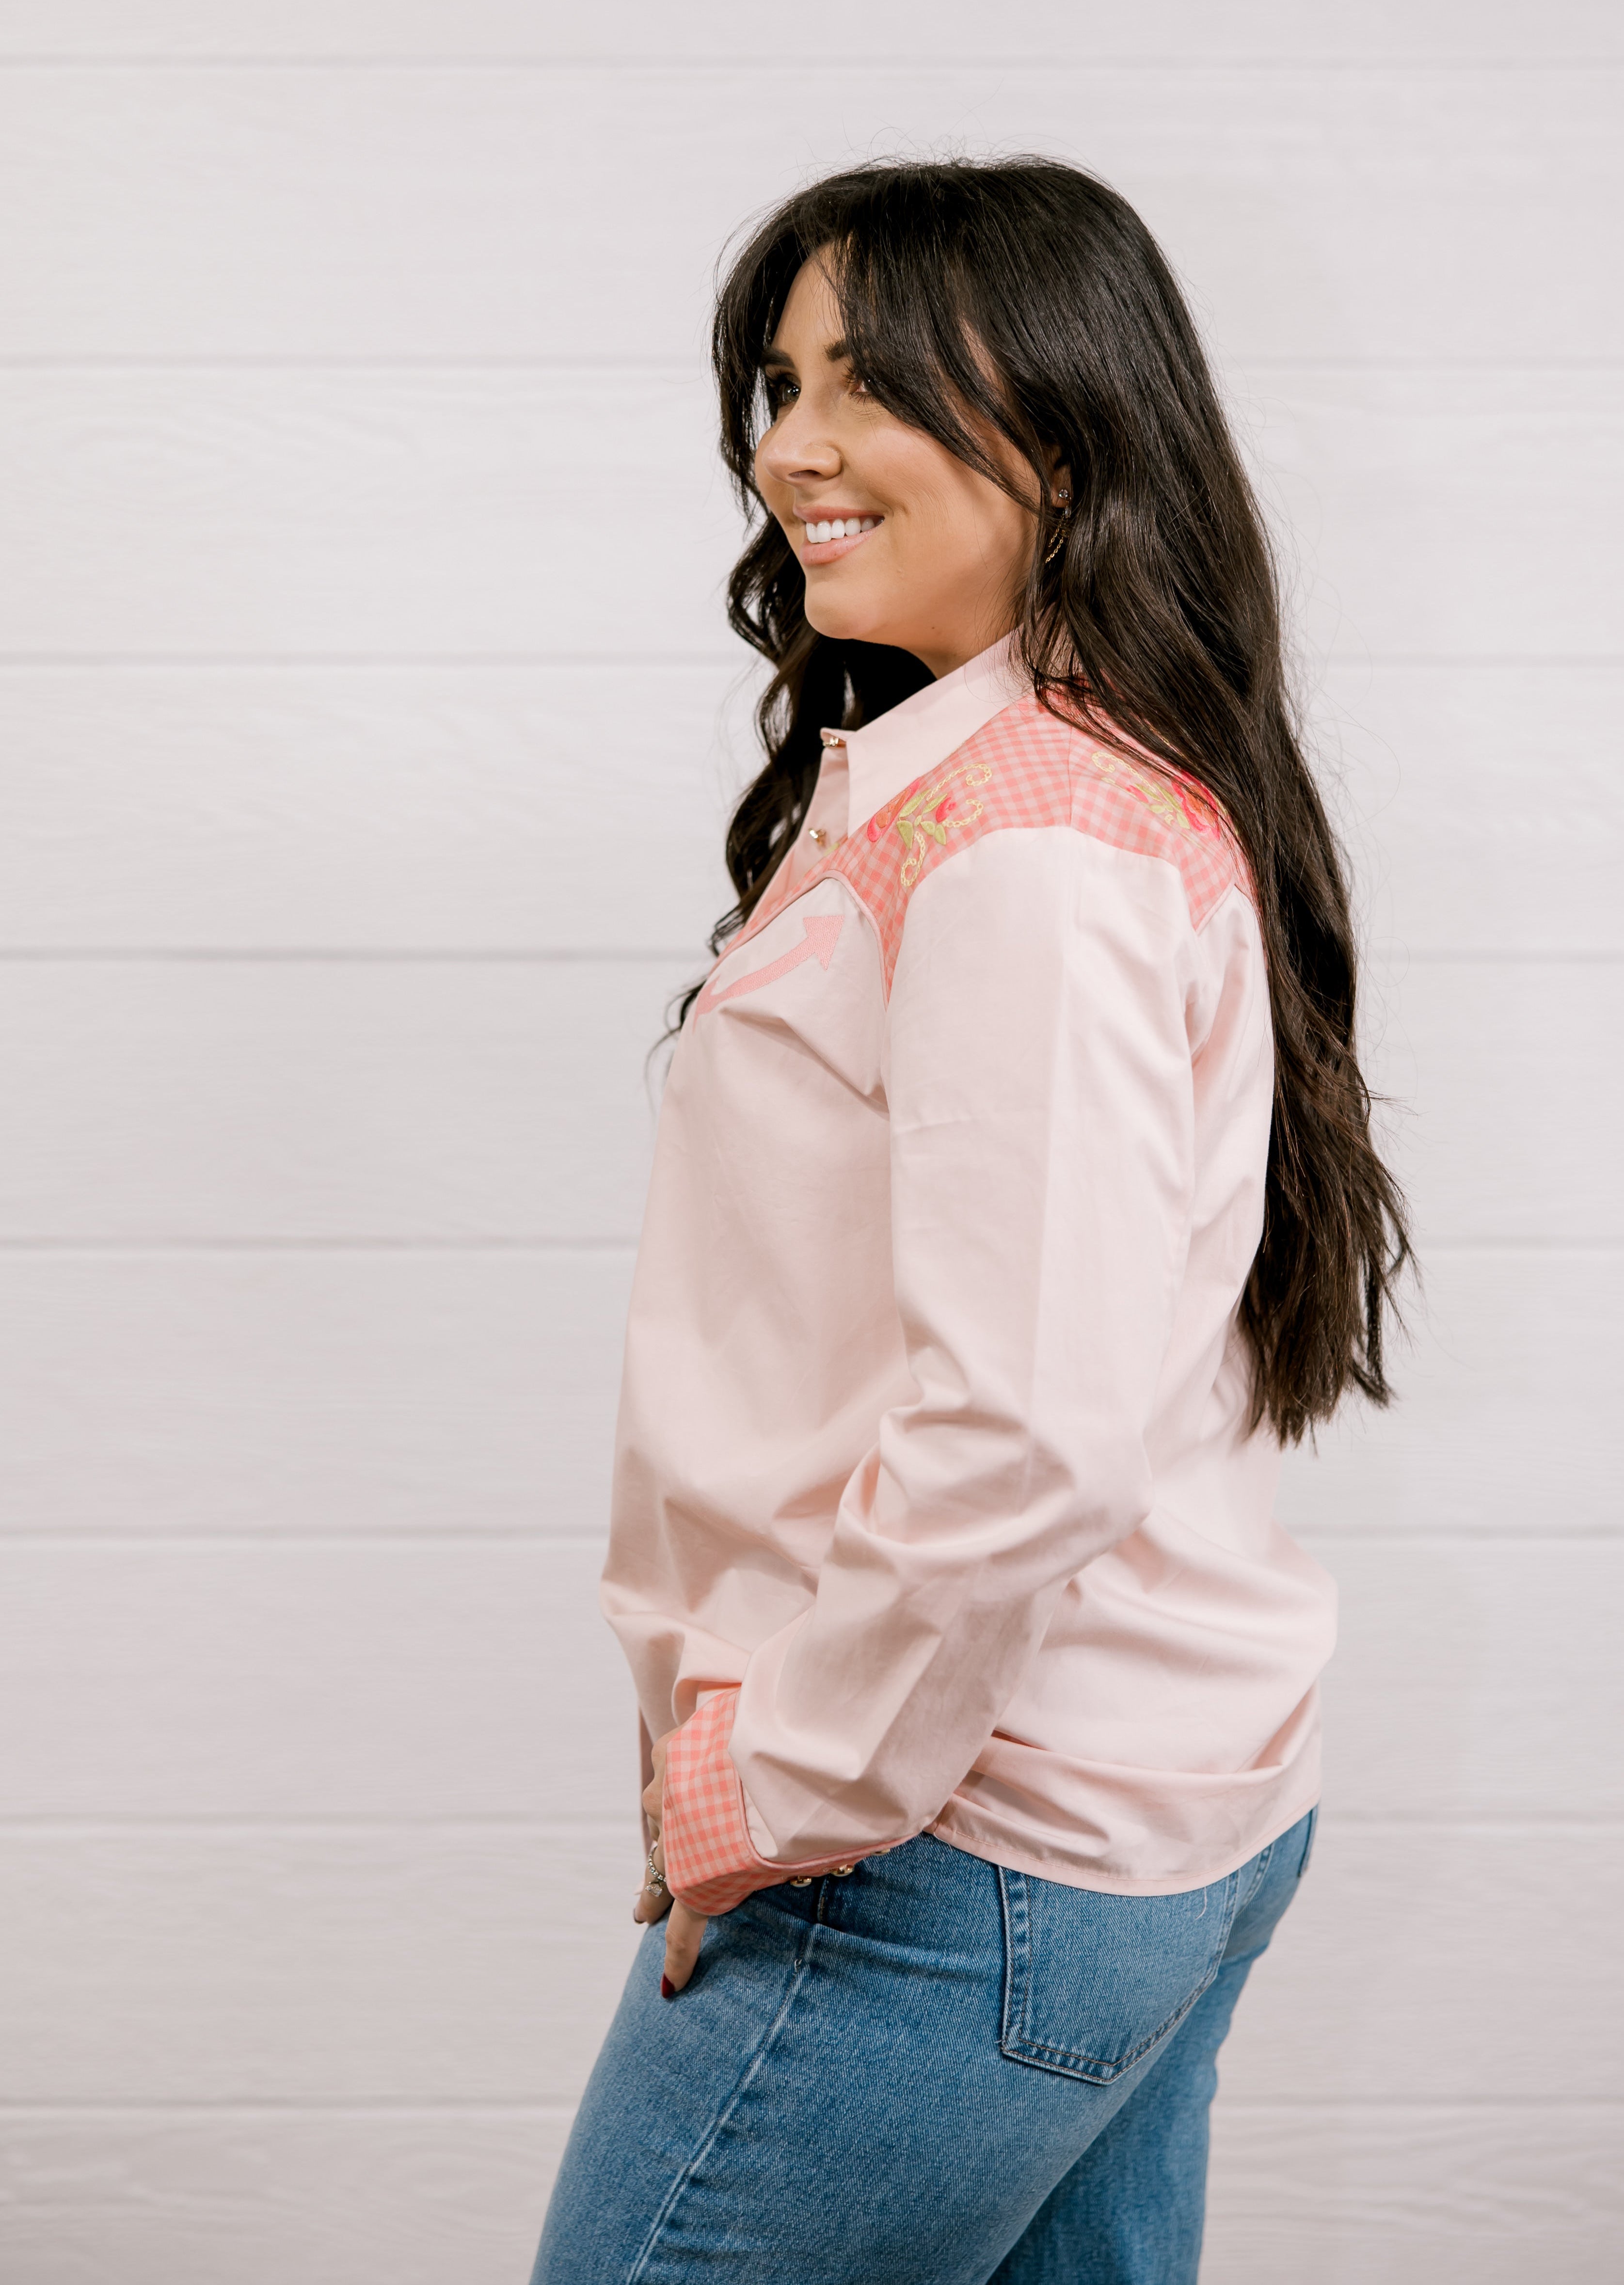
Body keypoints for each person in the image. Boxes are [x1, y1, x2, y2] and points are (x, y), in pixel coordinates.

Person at [530, 156, 1408, 2285]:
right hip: (1121, 1818)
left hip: (946, 1857)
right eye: (777, 377)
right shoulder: (1050, 788)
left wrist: (778, 1785)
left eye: (869, 383)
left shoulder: (1027, 847)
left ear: (1069, 424)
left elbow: (1024, 1425)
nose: (792, 447)